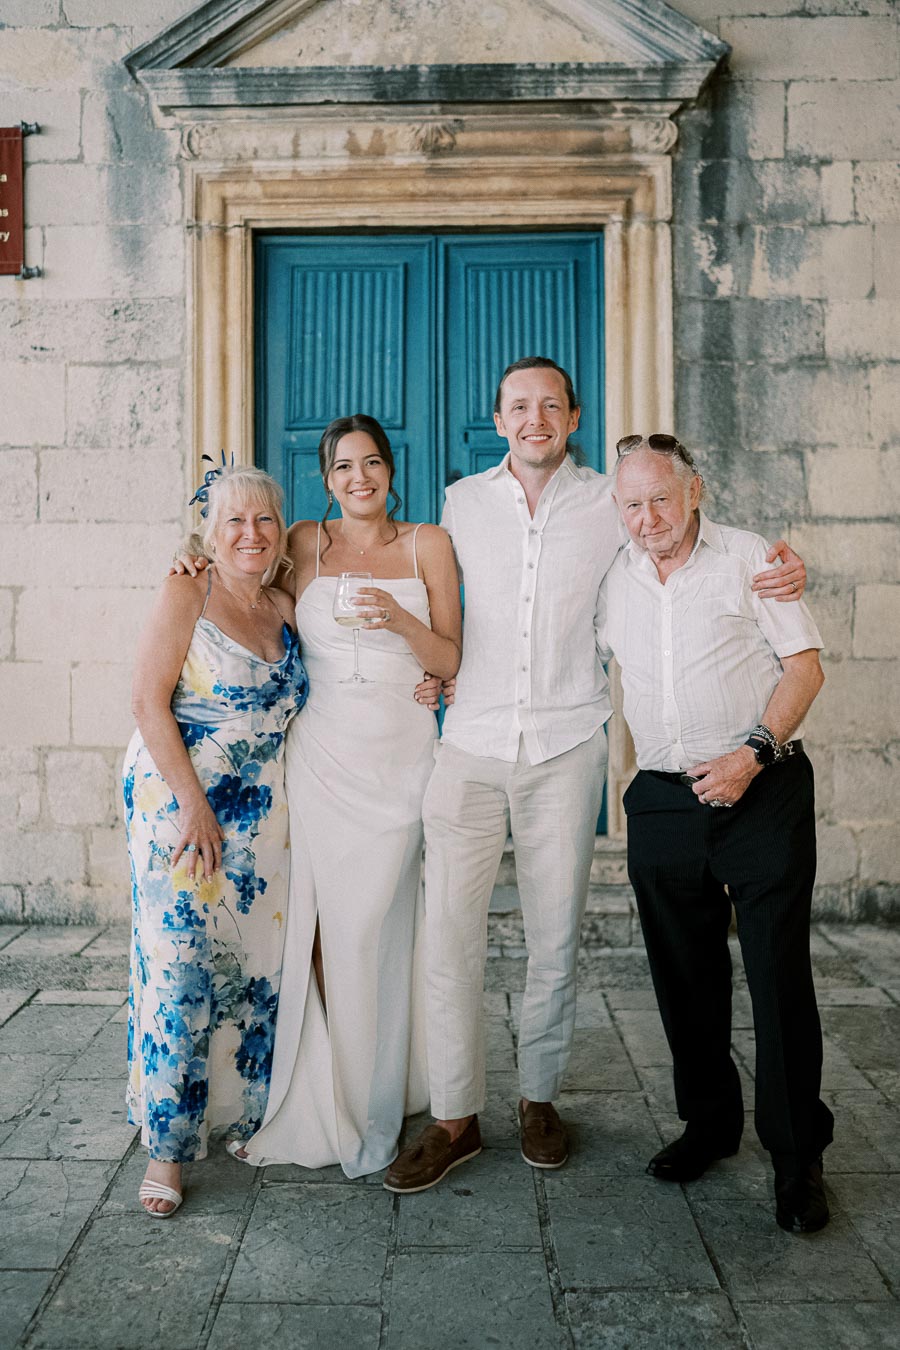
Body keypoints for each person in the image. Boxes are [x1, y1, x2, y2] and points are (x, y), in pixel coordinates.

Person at [384, 358, 808, 1195]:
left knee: (553, 940)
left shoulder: (611, 502)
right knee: (448, 939)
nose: (534, 417)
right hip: (467, 742)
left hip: (566, 745)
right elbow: (420, 593)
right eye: (518, 406)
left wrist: (790, 568)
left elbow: (690, 536)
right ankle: (455, 1115)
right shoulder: (460, 503)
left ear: (573, 417)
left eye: (550, 405)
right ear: (498, 418)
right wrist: (429, 672)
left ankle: (539, 1100)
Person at [207, 416, 462, 1176]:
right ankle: (326, 1092)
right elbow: (245, 589)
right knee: (329, 930)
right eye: (344, 467)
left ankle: (388, 1080)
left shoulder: (428, 545)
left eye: (372, 463)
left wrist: (403, 622)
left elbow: (450, 655)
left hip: (403, 757)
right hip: (322, 756)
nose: (360, 478)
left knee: (382, 923)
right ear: (326, 479)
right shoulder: (306, 544)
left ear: (391, 470)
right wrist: (194, 569)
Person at [596, 433, 832, 1233]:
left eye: (661, 498)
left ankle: (799, 1159)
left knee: (776, 977)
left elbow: (805, 665)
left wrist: (752, 754)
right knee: (682, 976)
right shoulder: (612, 576)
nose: (647, 517)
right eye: (632, 503)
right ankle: (709, 1125)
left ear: (694, 492)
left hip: (761, 787)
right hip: (663, 798)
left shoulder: (752, 559)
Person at [125, 463, 309, 1217]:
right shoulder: (187, 589)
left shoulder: (286, 605)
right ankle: (167, 1150)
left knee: (252, 967)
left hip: (265, 815)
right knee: (180, 965)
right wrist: (194, 807)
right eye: (234, 520)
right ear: (207, 530)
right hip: (179, 799)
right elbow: (146, 700)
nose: (251, 534)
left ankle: (237, 1112)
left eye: (265, 520)